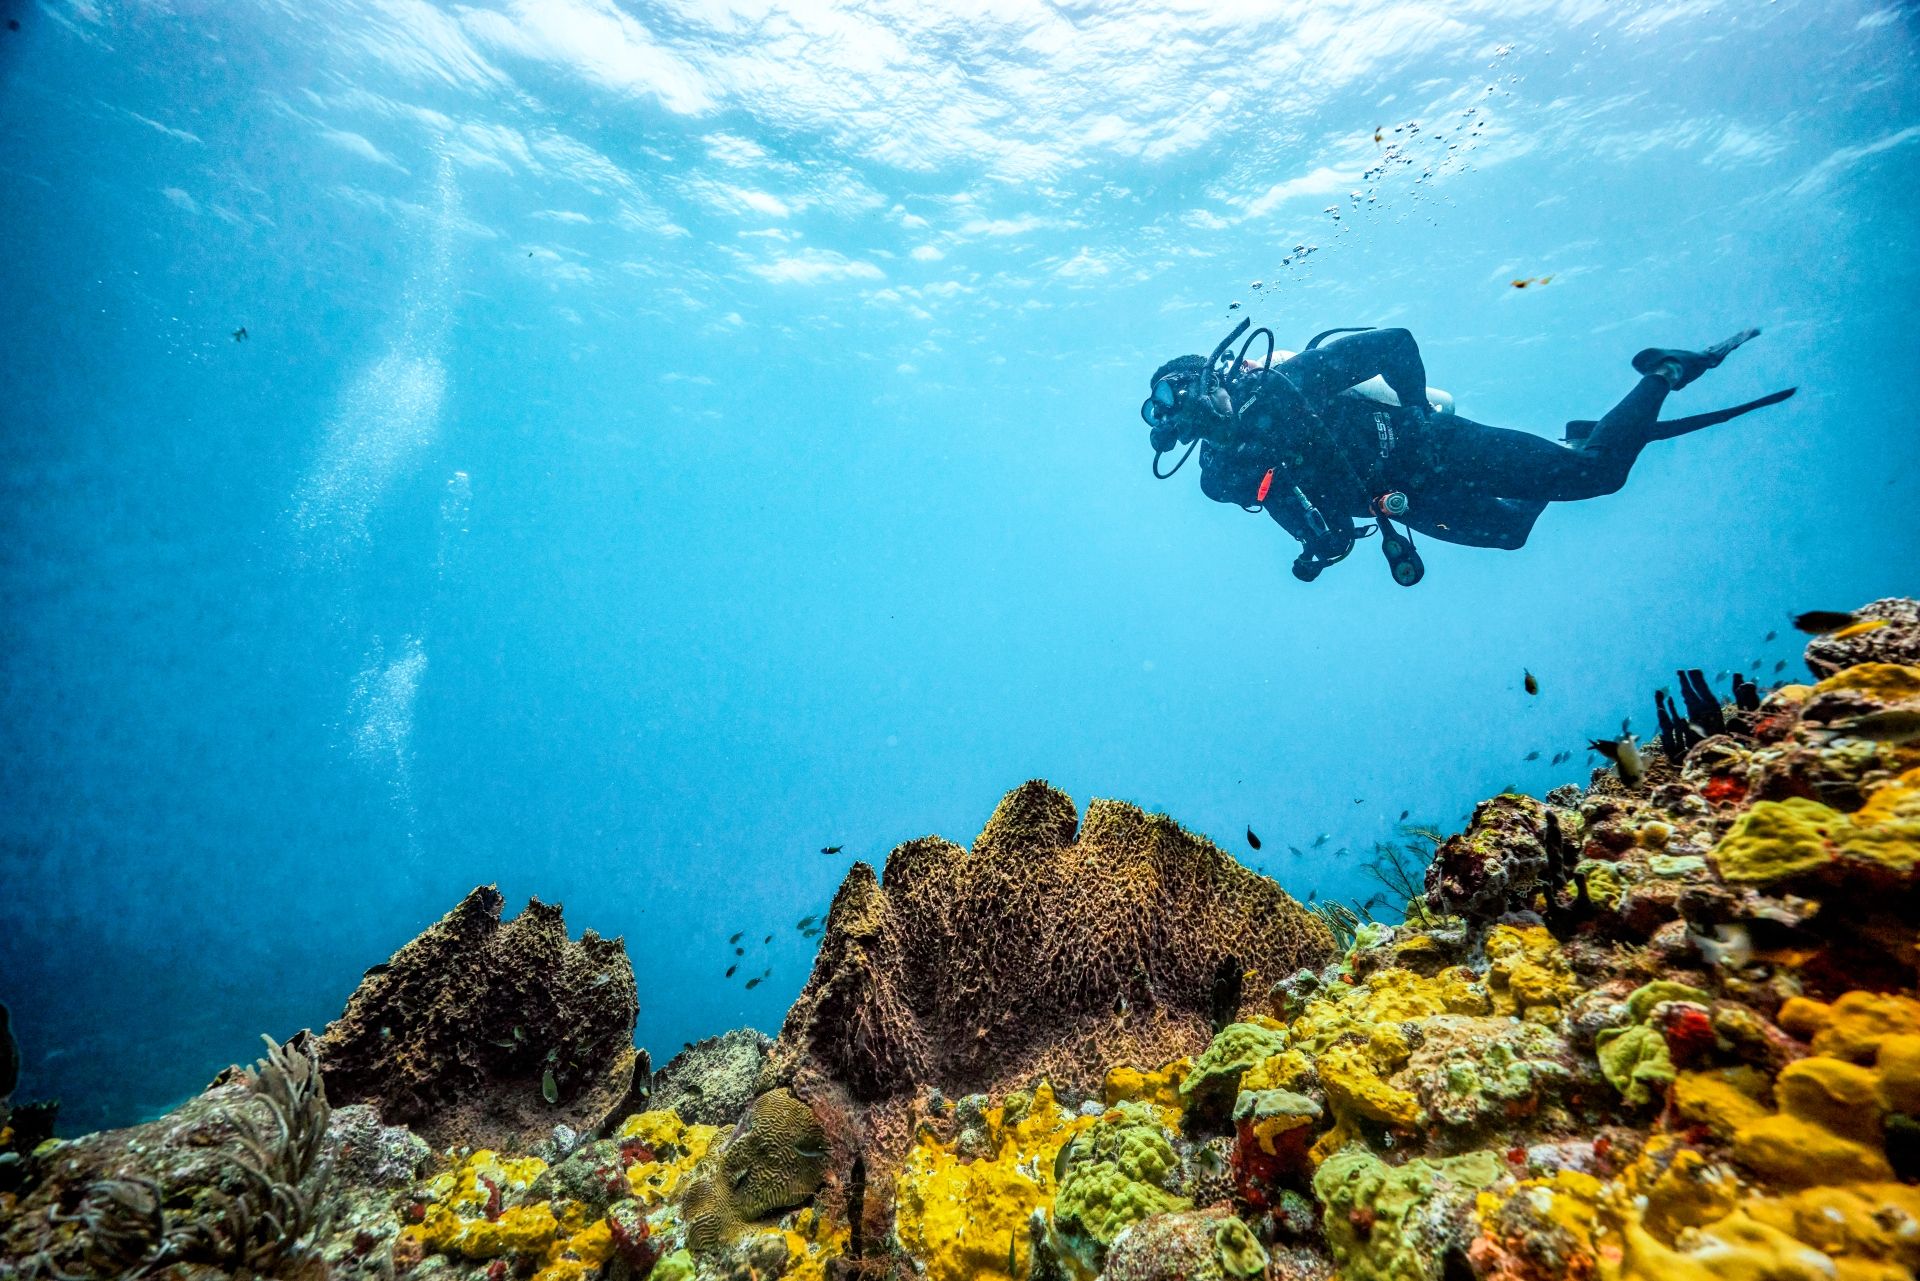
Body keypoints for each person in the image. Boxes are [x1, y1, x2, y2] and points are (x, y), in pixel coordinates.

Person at [1140, 322, 1795, 584]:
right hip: (1402, 498)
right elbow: (1309, 518)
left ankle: (1664, 372)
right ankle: (1576, 435)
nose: (1177, 414)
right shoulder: (1224, 473)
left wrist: (1420, 414)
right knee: (1510, 532)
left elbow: (1395, 341)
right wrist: (1319, 549)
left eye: (1176, 394)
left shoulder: (1287, 383)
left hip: (1440, 449)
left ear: (1214, 379)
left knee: (1600, 476)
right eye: (1164, 410)